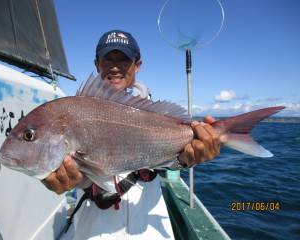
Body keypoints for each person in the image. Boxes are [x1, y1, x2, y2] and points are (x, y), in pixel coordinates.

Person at [42, 30, 220, 240]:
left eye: (124, 59)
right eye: (108, 58)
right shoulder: (77, 112)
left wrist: (186, 160)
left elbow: (169, 162)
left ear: (137, 65)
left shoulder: (155, 114)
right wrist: (75, 180)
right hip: (95, 227)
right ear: (97, 63)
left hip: (147, 227)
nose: (115, 66)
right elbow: (80, 174)